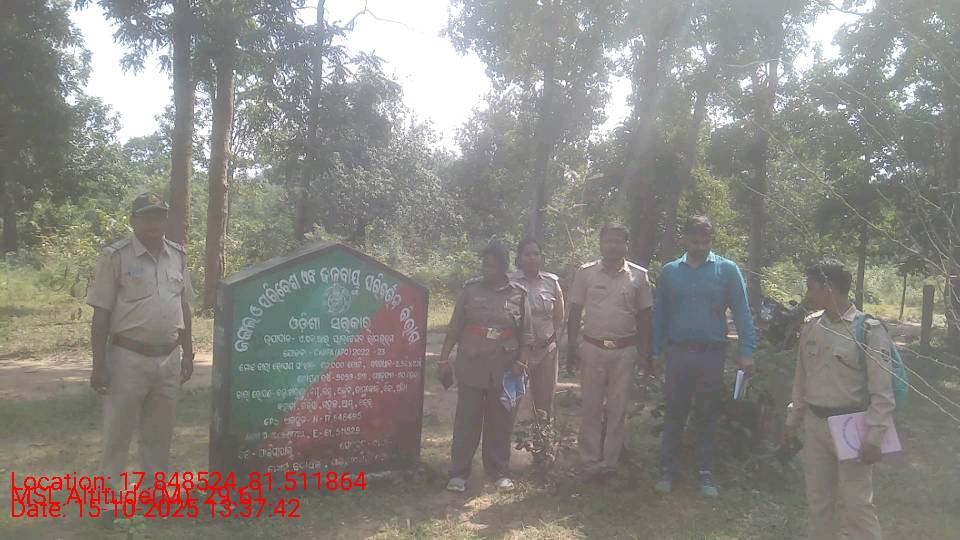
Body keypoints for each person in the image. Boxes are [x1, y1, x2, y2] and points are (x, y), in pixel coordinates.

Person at [86, 193, 194, 517]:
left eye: (159, 216)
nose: (153, 222)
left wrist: (188, 353)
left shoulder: (177, 256)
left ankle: (154, 497)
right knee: (117, 433)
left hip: (168, 357)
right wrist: (99, 365)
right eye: (146, 216)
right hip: (126, 357)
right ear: (133, 220)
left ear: (166, 219)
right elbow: (101, 314)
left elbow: (184, 306)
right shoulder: (115, 257)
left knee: (159, 434)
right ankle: (108, 502)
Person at [785, 260, 894, 540]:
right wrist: (793, 420)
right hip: (815, 424)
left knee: (857, 505)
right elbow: (801, 378)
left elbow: (882, 392)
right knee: (819, 502)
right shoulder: (811, 326)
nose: (808, 294)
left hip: (851, 425)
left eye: (812, 288)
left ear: (829, 288)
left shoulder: (868, 330)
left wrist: (875, 436)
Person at [651, 215, 756, 498]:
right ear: (685, 239)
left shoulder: (727, 270)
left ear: (712, 240)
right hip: (677, 352)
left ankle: (706, 472)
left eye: (705, 242)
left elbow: (742, 312)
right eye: (695, 241)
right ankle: (667, 469)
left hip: (711, 354)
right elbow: (660, 315)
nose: (700, 247)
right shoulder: (670, 272)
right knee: (675, 410)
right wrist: (655, 352)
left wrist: (747, 351)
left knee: (707, 412)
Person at [438, 241, 534, 492]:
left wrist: (521, 362)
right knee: (466, 420)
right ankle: (459, 473)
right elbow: (454, 328)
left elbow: (527, 336)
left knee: (499, 421)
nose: (485, 269)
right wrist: (443, 359)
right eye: (484, 264)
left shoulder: (519, 294)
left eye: (491, 265)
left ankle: (499, 471)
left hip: (504, 368)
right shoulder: (470, 290)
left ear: (503, 267)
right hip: (472, 364)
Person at [566, 224, 653, 481]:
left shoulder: (639, 276)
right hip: (593, 348)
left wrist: (644, 352)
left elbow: (646, 316)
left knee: (618, 410)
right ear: (601, 243)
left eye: (619, 241)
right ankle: (589, 463)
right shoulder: (586, 273)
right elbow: (574, 312)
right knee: (590, 407)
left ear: (627, 245)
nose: (613, 246)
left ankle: (610, 465)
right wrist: (571, 348)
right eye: (609, 241)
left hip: (625, 351)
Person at [510, 238, 565, 423]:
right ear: (519, 258)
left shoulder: (551, 282)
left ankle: (542, 440)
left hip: (545, 352)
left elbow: (558, 316)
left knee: (544, 406)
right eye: (527, 254)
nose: (532, 258)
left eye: (536, 254)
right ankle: (503, 440)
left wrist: (547, 339)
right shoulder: (510, 282)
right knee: (510, 401)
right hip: (517, 353)